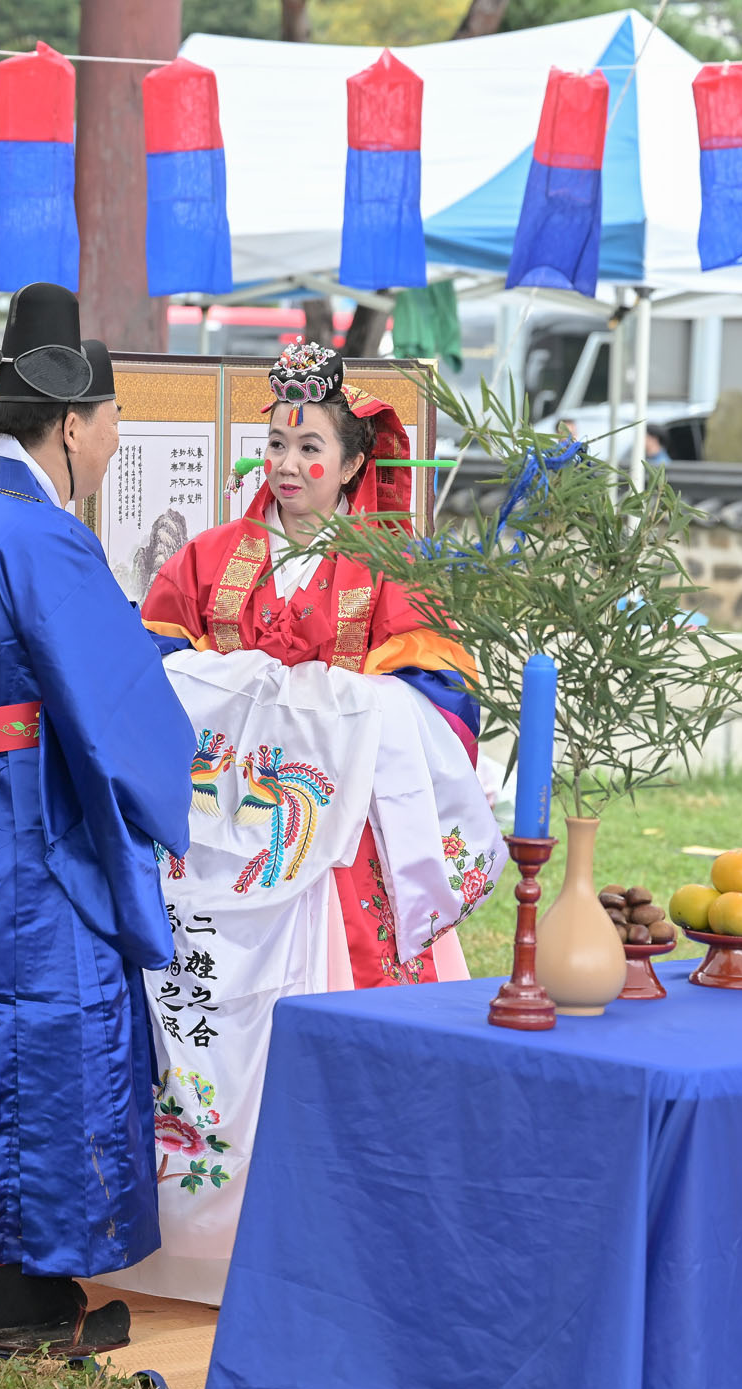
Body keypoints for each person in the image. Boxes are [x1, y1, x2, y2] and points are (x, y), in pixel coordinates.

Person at [120, 343, 507, 1303]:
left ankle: (344, 1238)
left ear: (352, 462)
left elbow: (442, 703)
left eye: (310, 448)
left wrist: (336, 705)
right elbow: (143, 675)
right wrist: (241, 688)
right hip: (218, 850)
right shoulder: (209, 558)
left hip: (340, 861)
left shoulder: (393, 568)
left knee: (344, 1033)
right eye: (276, 445)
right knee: (202, 1028)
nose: (288, 465)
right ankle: (196, 1232)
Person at [0, 282, 195, 1357]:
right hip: (28, 837)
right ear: (70, 423)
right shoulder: (39, 537)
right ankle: (21, 1304)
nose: (118, 437)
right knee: (43, 1028)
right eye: (113, 416)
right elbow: (116, 706)